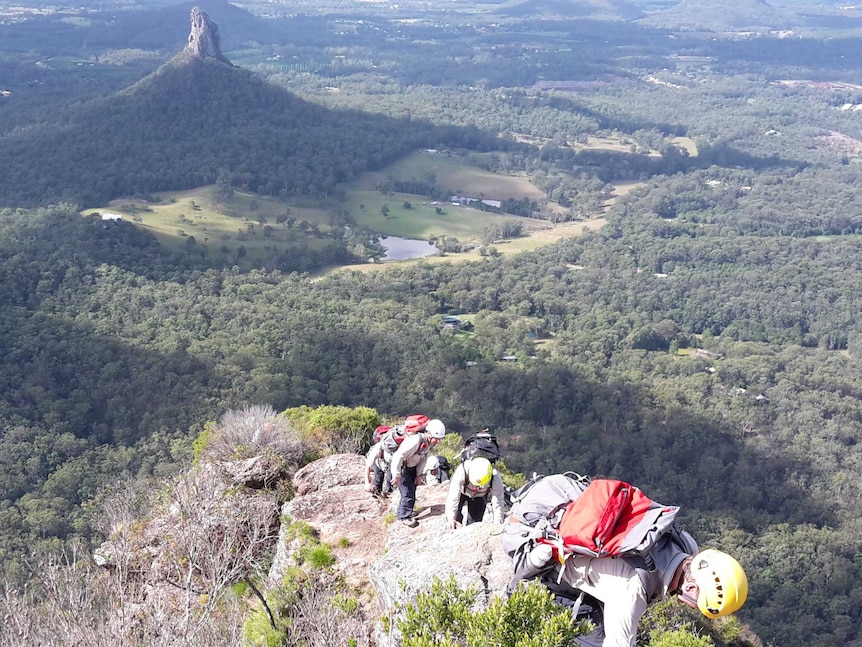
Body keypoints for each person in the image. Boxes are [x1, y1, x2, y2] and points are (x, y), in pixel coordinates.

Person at [514, 532, 748, 647]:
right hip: (556, 572)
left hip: (584, 557)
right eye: (693, 601)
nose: (687, 604)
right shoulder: (632, 592)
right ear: (689, 586)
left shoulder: (685, 543)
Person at [390, 418, 446, 527]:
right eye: (437, 438)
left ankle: (405, 512)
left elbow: (422, 459)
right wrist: (396, 474)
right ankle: (404, 516)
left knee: (411, 491)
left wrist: (418, 475)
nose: (438, 441)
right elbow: (398, 456)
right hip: (403, 468)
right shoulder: (415, 440)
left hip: (411, 468)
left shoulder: (428, 443)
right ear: (429, 434)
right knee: (408, 494)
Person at [444, 456, 505, 529]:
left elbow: (498, 502)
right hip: (462, 492)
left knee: (474, 523)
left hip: (479, 496)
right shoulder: (462, 471)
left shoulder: (495, 477)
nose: (476, 487)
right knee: (455, 519)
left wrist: (498, 523)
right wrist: (451, 517)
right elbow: (453, 496)